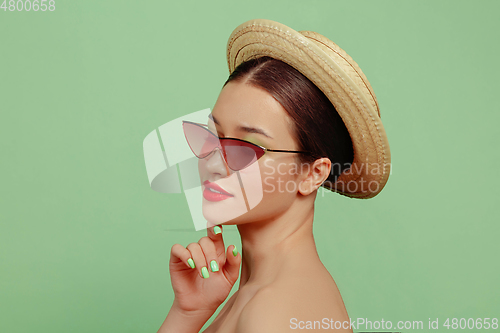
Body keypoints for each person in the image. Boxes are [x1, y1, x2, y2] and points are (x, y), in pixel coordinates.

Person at [156, 19, 391, 333]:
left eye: (247, 147)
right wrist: (187, 313)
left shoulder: (272, 311)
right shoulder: (259, 294)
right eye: (212, 136)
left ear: (312, 173)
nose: (213, 164)